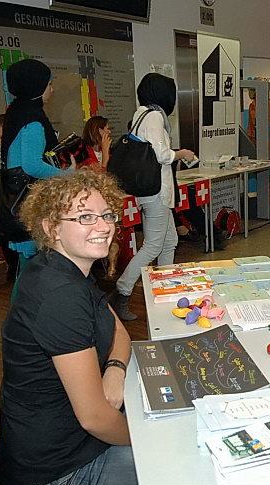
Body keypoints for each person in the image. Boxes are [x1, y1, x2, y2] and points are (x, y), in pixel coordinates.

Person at [0, 169, 140, 485]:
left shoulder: (67, 270)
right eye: (85, 217)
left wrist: (114, 370)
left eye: (107, 215)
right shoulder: (59, 294)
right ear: (51, 228)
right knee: (193, 463)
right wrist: (146, 440)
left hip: (74, 448)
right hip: (57, 480)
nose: (103, 226)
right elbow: (94, 417)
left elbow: (120, 332)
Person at [112, 73, 195, 321]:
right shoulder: (155, 116)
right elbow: (162, 155)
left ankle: (166, 290)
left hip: (150, 191)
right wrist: (182, 153)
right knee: (152, 246)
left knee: (169, 242)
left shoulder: (141, 114)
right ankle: (122, 291)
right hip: (156, 192)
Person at [0, 59, 71, 282]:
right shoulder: (33, 121)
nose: (52, 90)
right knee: (32, 274)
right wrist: (68, 175)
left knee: (29, 272)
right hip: (29, 205)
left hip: (17, 200)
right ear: (36, 86)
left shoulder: (16, 113)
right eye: (49, 84)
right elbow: (32, 165)